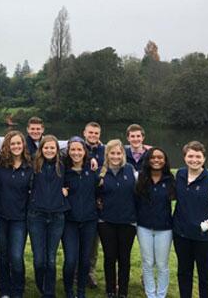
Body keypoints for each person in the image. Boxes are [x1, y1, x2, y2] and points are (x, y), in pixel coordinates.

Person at [173, 141, 208, 298]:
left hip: (205, 239)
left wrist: (204, 226)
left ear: (204, 159)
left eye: (198, 156)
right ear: (184, 157)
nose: (194, 160)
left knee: (206, 276)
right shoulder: (180, 174)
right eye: (190, 156)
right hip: (181, 236)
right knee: (184, 273)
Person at [28, 135, 70, 298]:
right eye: (46, 147)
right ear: (41, 149)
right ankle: (41, 286)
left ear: (57, 150)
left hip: (57, 216)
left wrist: (67, 189)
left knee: (51, 259)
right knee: (39, 259)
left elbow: (80, 155)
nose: (49, 150)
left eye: (52, 147)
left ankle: (49, 293)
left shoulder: (63, 165)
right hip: (36, 215)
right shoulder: (33, 164)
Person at [97, 139, 138, 298]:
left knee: (124, 258)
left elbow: (138, 194)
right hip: (106, 221)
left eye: (118, 153)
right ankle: (110, 290)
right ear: (107, 154)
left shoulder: (130, 170)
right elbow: (96, 194)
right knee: (109, 257)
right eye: (112, 153)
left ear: (123, 154)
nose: (115, 156)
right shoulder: (101, 172)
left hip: (127, 221)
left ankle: (123, 291)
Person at [0, 131, 33, 298]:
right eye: (13, 144)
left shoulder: (30, 165)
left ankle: (18, 290)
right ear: (7, 147)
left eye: (19, 143)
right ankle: (4, 290)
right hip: (0, 216)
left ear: (23, 145)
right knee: (2, 256)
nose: (16, 147)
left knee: (16, 256)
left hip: (20, 218)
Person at [62, 137, 99, 298]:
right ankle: (69, 290)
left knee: (85, 260)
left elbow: (100, 189)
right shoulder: (63, 171)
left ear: (85, 152)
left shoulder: (92, 170)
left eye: (79, 150)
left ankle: (81, 291)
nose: (76, 153)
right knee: (70, 260)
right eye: (73, 150)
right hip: (69, 221)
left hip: (89, 221)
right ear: (68, 152)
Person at [135, 147, 175, 298]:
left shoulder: (171, 180)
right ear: (148, 160)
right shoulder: (140, 178)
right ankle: (151, 294)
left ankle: (161, 294)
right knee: (147, 262)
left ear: (165, 161)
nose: (156, 160)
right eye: (153, 157)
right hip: (143, 227)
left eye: (160, 157)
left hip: (164, 228)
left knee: (162, 265)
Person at [82, 122, 104, 288]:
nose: (93, 135)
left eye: (96, 133)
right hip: (80, 198)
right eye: (90, 132)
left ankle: (89, 273)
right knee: (76, 241)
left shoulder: (104, 150)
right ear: (84, 133)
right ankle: (75, 273)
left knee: (93, 243)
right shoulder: (76, 146)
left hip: (99, 201)